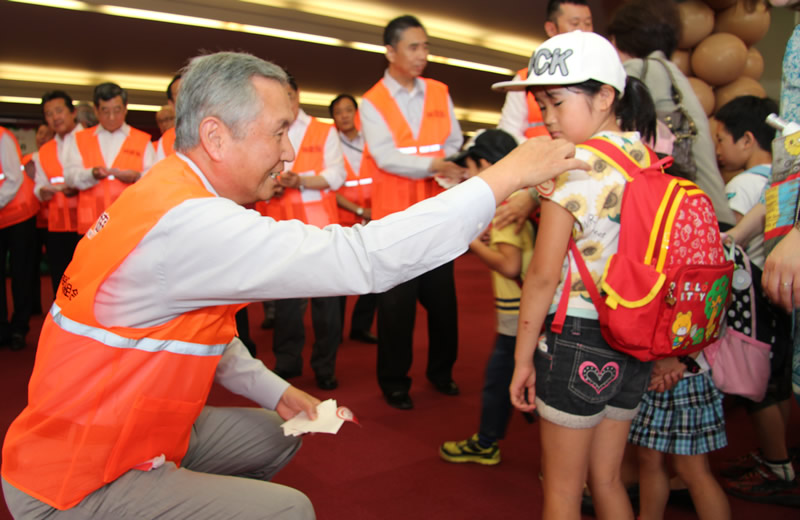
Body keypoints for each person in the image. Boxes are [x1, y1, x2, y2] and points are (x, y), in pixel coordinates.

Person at [0, 50, 587, 520]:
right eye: (279, 132)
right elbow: (362, 259)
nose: (288, 152)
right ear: (216, 136)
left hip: (118, 430)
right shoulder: (189, 223)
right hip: (75, 476)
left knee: (278, 431)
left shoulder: (169, 192)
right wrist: (508, 174)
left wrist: (277, 391)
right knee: (289, 511)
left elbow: (202, 331)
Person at [497, 31, 659, 519]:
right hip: (635, 336)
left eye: (557, 102)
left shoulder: (568, 169)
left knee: (563, 491)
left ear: (606, 97)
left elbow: (543, 276)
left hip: (579, 337)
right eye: (541, 103)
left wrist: (522, 357)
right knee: (607, 479)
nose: (546, 117)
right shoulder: (648, 160)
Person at [360, 14, 467, 410]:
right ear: (390, 52)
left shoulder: (439, 90)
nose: (423, 55)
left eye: (425, 46)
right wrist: (437, 165)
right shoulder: (372, 101)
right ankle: (394, 382)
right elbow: (386, 157)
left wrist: (449, 164)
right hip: (396, 222)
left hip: (438, 214)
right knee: (396, 309)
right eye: (413, 47)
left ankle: (442, 372)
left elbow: (454, 140)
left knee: (444, 306)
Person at [715, 95, 799, 505]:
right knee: (777, 382)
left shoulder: (742, 184)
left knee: (757, 389)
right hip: (781, 296)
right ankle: (778, 455)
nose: (716, 149)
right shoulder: (775, 180)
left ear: (747, 140)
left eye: (720, 139)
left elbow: (732, 240)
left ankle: (776, 463)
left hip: (758, 298)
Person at [439, 129, 533, 466]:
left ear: (486, 164)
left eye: (473, 169)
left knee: (499, 380)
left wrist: (472, 242)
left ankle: (487, 442)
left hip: (519, 316)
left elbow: (510, 265)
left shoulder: (507, 210)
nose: (469, 178)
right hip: (530, 313)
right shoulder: (524, 200)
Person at [606, 0, 736, 229]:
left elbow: (601, 136)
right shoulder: (672, 73)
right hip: (711, 210)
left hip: (687, 215)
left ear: (619, 40)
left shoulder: (638, 70)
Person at [256, 72, 347, 391]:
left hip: (322, 231)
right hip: (283, 230)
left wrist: (302, 180)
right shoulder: (267, 129)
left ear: (297, 95)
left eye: (288, 97)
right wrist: (273, 185)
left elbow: (337, 175)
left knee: (327, 308)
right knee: (287, 305)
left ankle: (325, 366)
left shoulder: (324, 131)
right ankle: (287, 361)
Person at [63, 82, 156, 234]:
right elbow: (69, 176)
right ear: (96, 110)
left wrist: (137, 176)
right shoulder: (80, 139)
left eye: (117, 110)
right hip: (92, 225)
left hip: (130, 223)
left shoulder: (142, 141)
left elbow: (154, 179)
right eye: (105, 111)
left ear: (126, 109)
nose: (112, 117)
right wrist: (91, 174)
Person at [498, 0, 593, 144]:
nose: (583, 31)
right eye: (575, 24)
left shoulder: (599, 74)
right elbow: (508, 132)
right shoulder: (525, 79)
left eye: (587, 24)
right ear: (551, 29)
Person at [329, 93, 378, 344]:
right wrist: (359, 211)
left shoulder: (371, 141)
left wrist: (375, 211)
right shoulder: (331, 145)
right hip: (342, 220)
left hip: (375, 219)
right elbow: (331, 188)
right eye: (339, 112)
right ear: (333, 118)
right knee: (339, 279)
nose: (345, 115)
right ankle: (334, 333)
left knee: (375, 274)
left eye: (349, 110)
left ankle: (361, 326)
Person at [33, 90, 84, 296]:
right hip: (57, 226)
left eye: (59, 111)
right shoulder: (45, 150)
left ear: (73, 112)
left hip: (87, 225)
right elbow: (39, 185)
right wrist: (42, 192)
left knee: (87, 282)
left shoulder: (90, 140)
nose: (55, 117)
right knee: (61, 285)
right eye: (48, 113)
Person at [0, 126, 40, 351]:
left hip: (18, 215)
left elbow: (13, 179)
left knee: (20, 274)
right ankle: (2, 328)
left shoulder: (2, 137)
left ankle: (19, 328)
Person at [155, 73, 181, 161]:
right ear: (171, 103)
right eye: (179, 92)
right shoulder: (166, 141)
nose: (186, 96)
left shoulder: (217, 127)